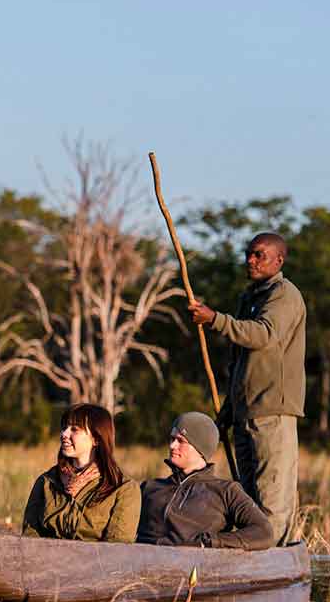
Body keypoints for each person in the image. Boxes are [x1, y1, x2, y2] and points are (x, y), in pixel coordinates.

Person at [188, 232, 306, 546]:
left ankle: (274, 562)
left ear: (279, 260)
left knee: (271, 497)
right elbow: (242, 362)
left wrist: (214, 319)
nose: (250, 261)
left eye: (259, 255)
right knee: (247, 499)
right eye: (248, 254)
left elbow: (264, 335)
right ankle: (250, 556)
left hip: (272, 413)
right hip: (244, 414)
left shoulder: (284, 295)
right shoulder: (249, 298)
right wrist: (228, 411)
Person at [136, 412, 273, 549]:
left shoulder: (226, 491)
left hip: (191, 568)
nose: (172, 446)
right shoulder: (149, 487)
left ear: (200, 448)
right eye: (172, 439)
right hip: (140, 566)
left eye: (180, 440)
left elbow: (264, 532)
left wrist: (208, 542)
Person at [21, 403, 140, 542]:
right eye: (64, 427)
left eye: (74, 429)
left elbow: (116, 550)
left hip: (95, 563)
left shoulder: (123, 489)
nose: (64, 434)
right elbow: (29, 537)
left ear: (96, 439)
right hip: (48, 561)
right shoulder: (47, 482)